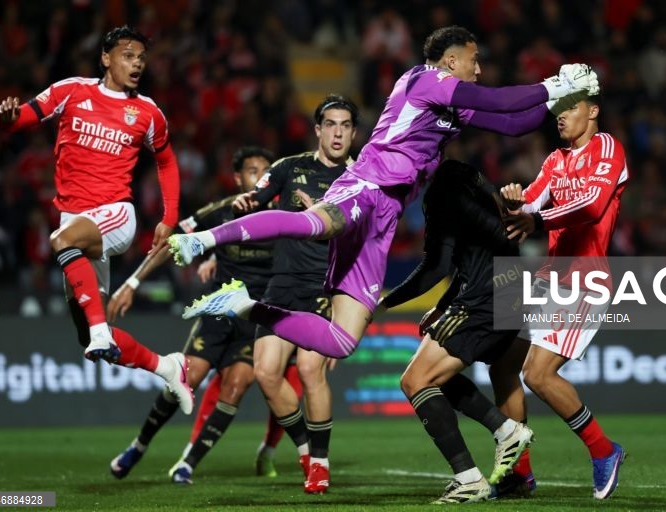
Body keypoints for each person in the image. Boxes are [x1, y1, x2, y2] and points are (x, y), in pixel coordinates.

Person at [171, 26, 598, 362]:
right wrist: (554, 85)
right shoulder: (424, 80)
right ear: (451, 60)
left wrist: (564, 97)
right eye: (474, 60)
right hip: (369, 184)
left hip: (387, 213)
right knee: (313, 226)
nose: (478, 69)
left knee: (341, 341)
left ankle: (242, 306)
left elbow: (512, 123)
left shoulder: (452, 104)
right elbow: (500, 101)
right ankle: (202, 239)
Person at [0, 26, 192, 413]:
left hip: (116, 214)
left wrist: (169, 217)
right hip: (77, 219)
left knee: (61, 242)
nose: (137, 63)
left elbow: (167, 161)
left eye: (141, 58)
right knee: (87, 330)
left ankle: (102, 331)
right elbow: (24, 118)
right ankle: (167, 367)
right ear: (105, 58)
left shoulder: (148, 112)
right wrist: (8, 119)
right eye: (127, 55)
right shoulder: (72, 91)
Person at [105, 146, 280, 483]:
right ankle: (139, 445)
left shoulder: (283, 214)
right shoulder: (220, 212)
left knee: (237, 385)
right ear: (238, 178)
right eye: (252, 170)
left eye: (266, 171)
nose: (260, 177)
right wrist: (133, 281)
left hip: (257, 318)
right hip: (219, 312)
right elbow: (173, 242)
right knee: (188, 377)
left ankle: (188, 464)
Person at [377, 160, 534, 503]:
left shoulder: (440, 194)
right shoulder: (471, 180)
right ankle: (506, 430)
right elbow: (472, 256)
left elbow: (436, 267)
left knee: (415, 381)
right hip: (511, 290)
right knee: (438, 377)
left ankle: (471, 476)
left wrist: (385, 304)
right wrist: (444, 304)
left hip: (485, 298)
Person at [500, 94, 628, 499]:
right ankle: (519, 473)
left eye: (570, 108)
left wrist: (533, 218)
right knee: (502, 366)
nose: (560, 117)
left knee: (537, 374)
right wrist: (512, 202)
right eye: (558, 110)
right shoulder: (555, 160)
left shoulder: (607, 148)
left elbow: (591, 206)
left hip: (584, 280)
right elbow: (531, 201)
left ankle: (604, 450)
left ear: (592, 111)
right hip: (549, 279)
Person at [232, 95, 358, 494]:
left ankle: (319, 465)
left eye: (345, 125)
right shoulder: (288, 168)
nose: (338, 132)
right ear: (318, 129)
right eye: (330, 124)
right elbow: (259, 198)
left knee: (309, 370)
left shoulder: (361, 179)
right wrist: (245, 203)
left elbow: (366, 242)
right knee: (266, 373)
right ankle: (306, 450)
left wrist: (326, 214)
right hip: (281, 285)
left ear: (354, 133)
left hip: (323, 288)